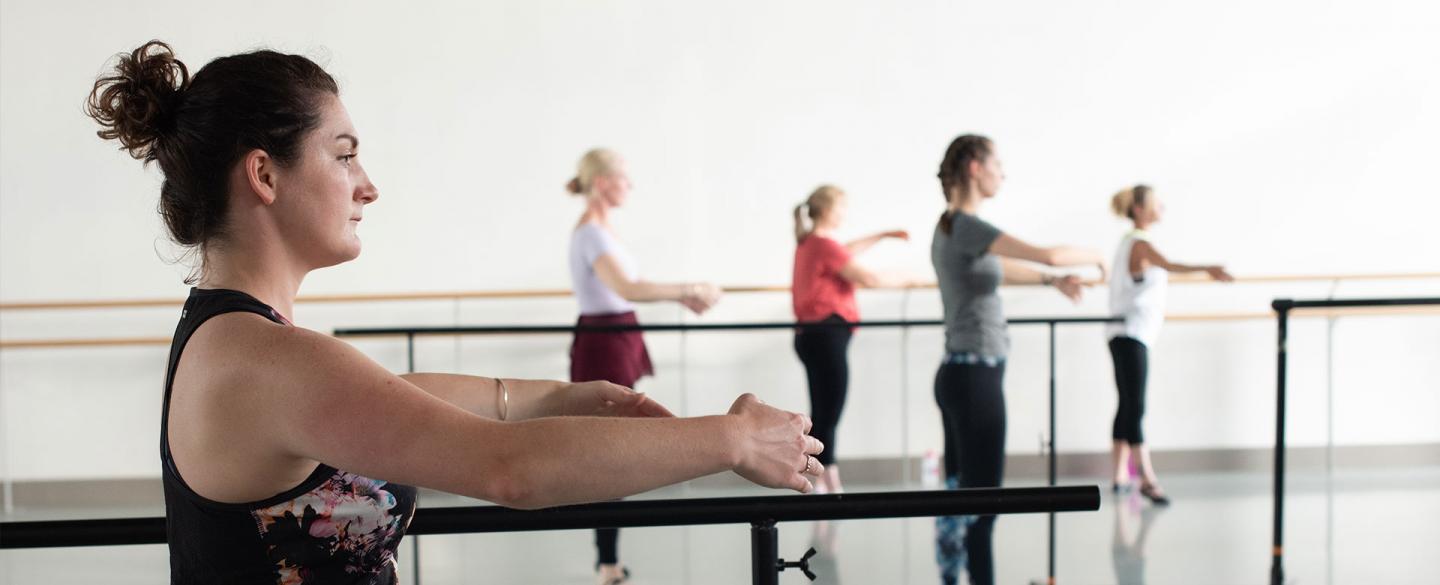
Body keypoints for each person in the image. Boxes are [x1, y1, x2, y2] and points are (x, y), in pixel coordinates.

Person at [86, 40, 823, 585]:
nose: (366, 185)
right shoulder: (262, 356)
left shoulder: (242, 340)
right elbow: (509, 472)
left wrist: (554, 398)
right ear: (264, 173)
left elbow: (398, 397)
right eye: (344, 155)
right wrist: (733, 439)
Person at [929, 134, 1105, 585]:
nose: (1003, 173)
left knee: (961, 496)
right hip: (975, 379)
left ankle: (954, 577)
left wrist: (1052, 281)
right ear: (974, 167)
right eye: (998, 164)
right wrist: (1096, 256)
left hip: (962, 376)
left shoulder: (952, 227)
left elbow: (1006, 268)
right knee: (984, 505)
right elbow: (1043, 252)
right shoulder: (966, 225)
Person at [564, 147, 724, 583]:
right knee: (606, 455)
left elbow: (626, 290)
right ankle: (607, 560)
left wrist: (683, 295)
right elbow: (627, 287)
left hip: (615, 335)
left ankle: (608, 558)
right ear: (602, 182)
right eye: (624, 178)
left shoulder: (601, 230)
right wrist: (687, 288)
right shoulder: (592, 233)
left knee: (612, 451)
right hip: (604, 341)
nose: (631, 186)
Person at [1106, 184, 1233, 505]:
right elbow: (1170, 264)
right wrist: (1207, 268)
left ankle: (1120, 473)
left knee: (1126, 404)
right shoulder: (1140, 244)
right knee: (1136, 405)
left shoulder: (1128, 244)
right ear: (1139, 209)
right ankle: (1146, 478)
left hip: (1126, 332)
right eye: (1155, 203)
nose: (1162, 207)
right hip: (1130, 333)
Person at [790, 184, 912, 495]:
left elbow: (848, 249)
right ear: (828, 210)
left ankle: (824, 478)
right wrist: (905, 279)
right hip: (826, 336)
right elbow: (867, 277)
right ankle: (826, 480)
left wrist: (882, 235)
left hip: (811, 336)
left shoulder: (810, 244)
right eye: (842, 207)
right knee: (830, 412)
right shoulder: (822, 246)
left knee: (823, 411)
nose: (845, 214)